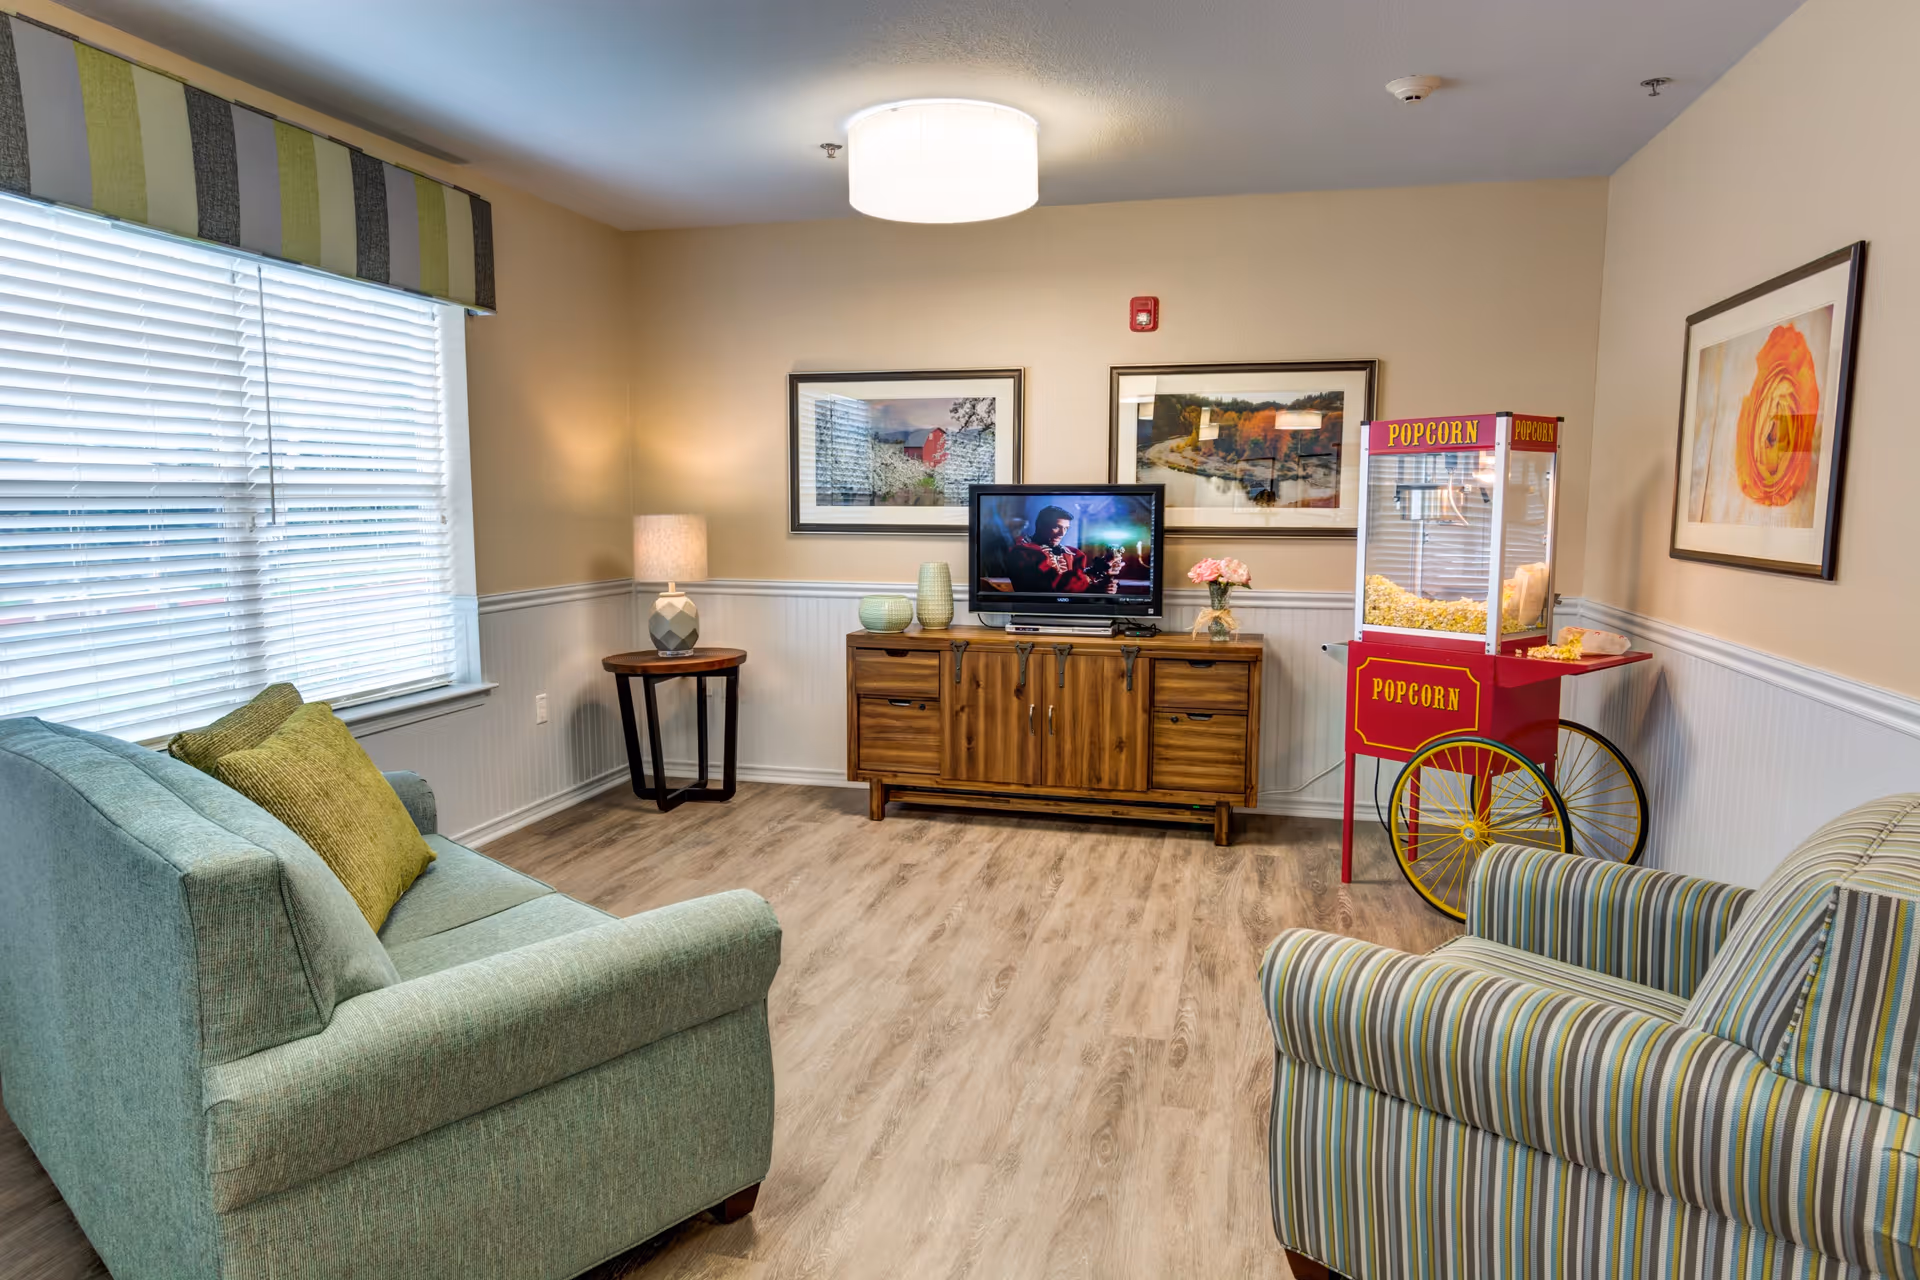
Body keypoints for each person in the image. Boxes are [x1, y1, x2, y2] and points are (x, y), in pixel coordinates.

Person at [1004, 505, 1124, 594]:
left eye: (1066, 528)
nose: (1062, 534)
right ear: (1040, 525)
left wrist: (1104, 584)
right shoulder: (1022, 553)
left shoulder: (1074, 554)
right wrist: (1100, 568)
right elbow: (1056, 585)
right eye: (1056, 527)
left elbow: (1081, 585)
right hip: (1039, 610)